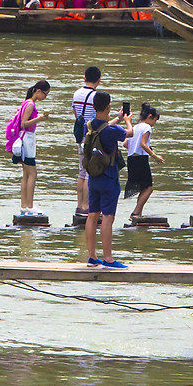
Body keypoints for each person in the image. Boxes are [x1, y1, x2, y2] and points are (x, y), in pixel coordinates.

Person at [79, 92, 128, 268]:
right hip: (109, 178)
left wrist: (117, 119)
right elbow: (128, 133)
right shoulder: (111, 131)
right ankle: (108, 259)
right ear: (108, 106)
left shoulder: (89, 126)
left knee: (92, 215)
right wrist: (127, 120)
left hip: (93, 177)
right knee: (107, 217)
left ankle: (92, 257)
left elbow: (103, 129)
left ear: (93, 106)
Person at [6, 80, 49, 210]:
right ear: (38, 91)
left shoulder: (26, 102)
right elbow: (24, 123)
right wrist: (40, 118)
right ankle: (29, 206)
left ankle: (24, 205)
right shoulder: (30, 104)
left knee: (26, 173)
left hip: (24, 138)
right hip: (27, 139)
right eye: (45, 94)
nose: (45, 97)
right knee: (32, 173)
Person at [69, 68, 103, 219]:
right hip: (92, 137)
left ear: (84, 78)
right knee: (90, 173)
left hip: (80, 137)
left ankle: (80, 205)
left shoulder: (76, 94)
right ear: (99, 80)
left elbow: (77, 116)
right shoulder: (97, 97)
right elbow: (100, 119)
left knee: (81, 172)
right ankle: (88, 206)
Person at [125, 103, 160, 224]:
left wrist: (133, 148)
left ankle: (138, 213)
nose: (154, 123)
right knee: (148, 188)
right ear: (150, 116)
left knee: (143, 188)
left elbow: (125, 144)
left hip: (131, 159)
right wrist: (155, 156)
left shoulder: (135, 127)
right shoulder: (147, 128)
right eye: (155, 120)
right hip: (141, 159)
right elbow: (143, 144)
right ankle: (135, 212)